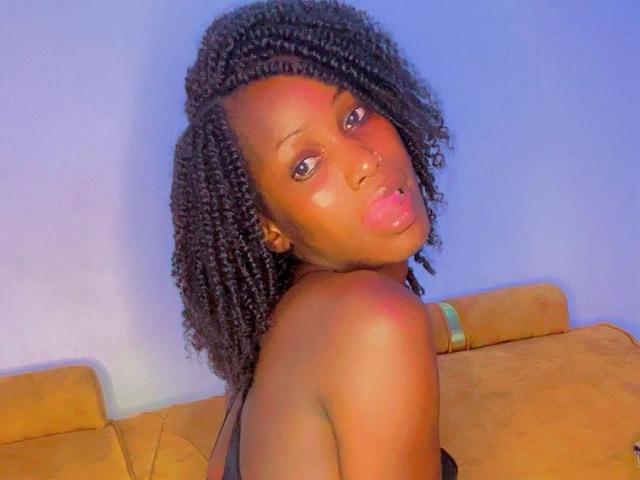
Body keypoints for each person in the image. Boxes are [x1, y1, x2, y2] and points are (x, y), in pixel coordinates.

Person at [169, 0, 458, 478]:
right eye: (305, 165)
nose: (363, 161)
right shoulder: (375, 322)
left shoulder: (269, 344)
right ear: (269, 227)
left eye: (354, 116)